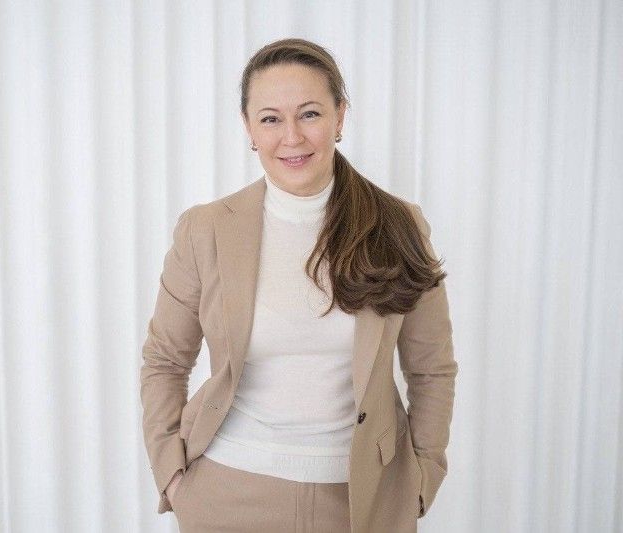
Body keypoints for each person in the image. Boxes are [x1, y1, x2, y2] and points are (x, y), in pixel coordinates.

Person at [140, 37, 457, 533]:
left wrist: (423, 476)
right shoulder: (206, 230)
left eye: (310, 114)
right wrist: (172, 475)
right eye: (270, 119)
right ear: (249, 128)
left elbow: (431, 368)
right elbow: (165, 360)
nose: (292, 137)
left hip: (362, 499)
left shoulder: (397, 225)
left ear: (340, 116)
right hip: (226, 493)